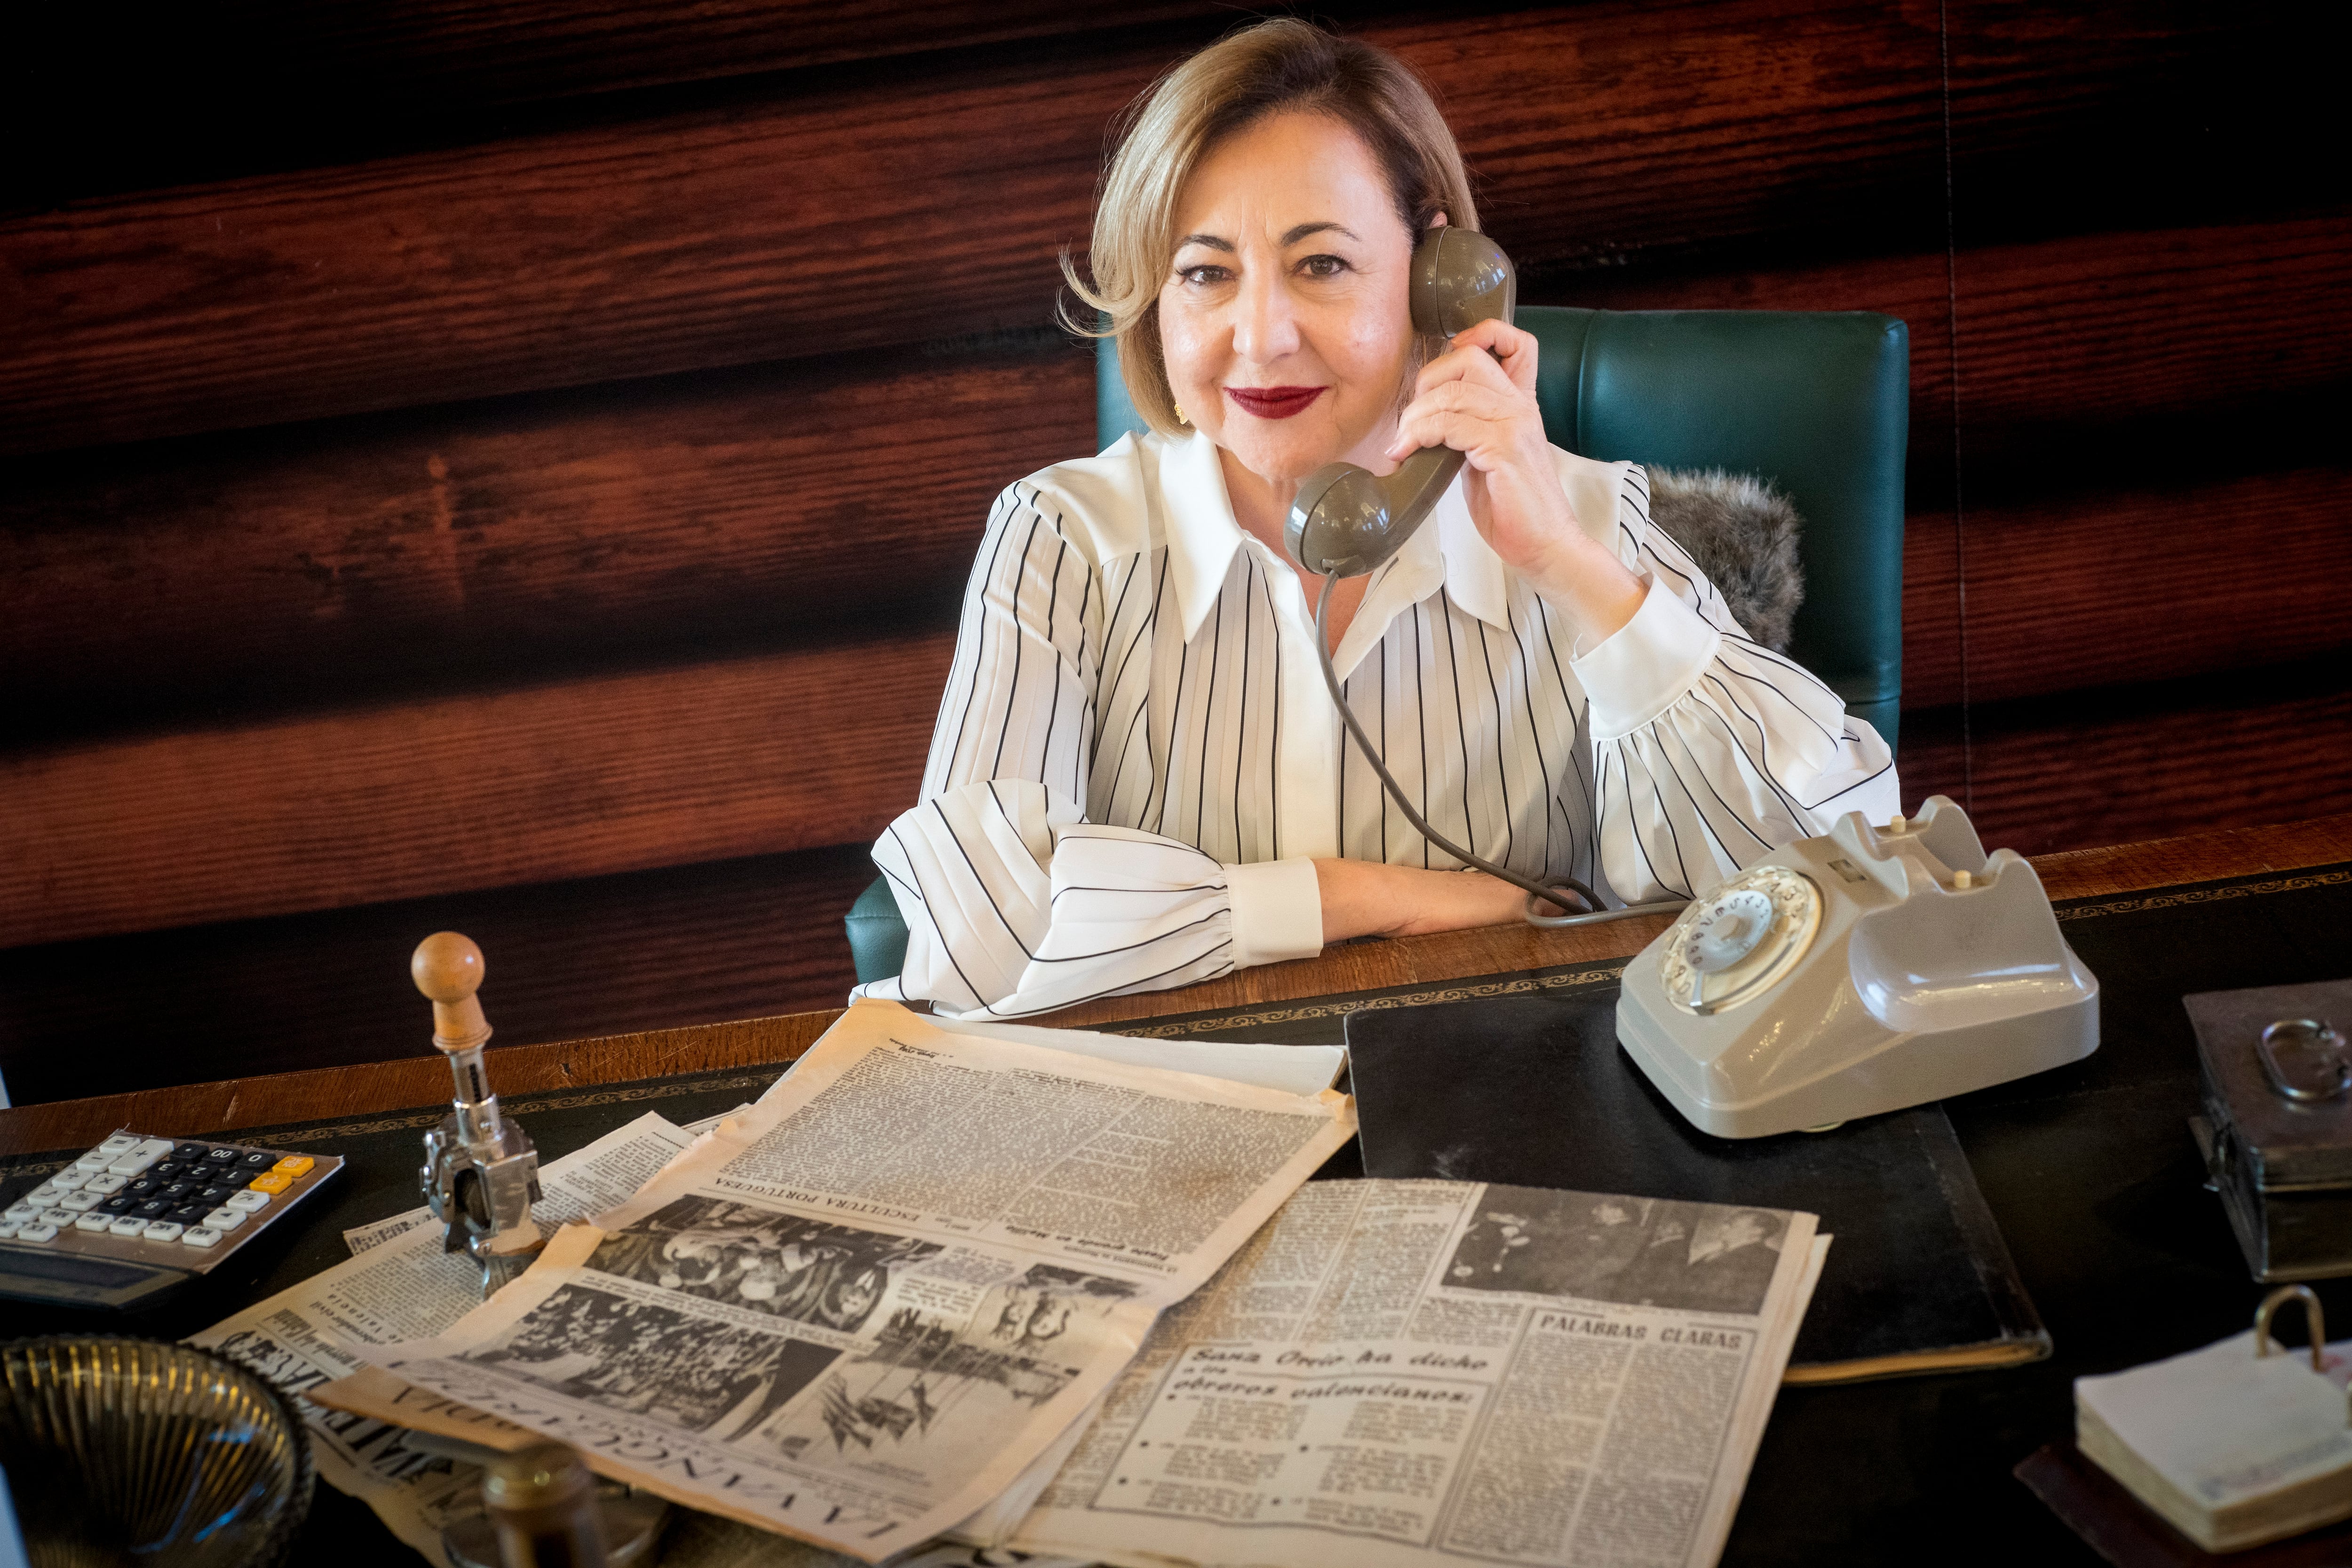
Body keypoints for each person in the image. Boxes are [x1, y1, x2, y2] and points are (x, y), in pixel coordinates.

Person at [864, 19, 1898, 1019]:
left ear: (1439, 279)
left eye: (1321, 264)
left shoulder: (1584, 520)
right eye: (1204, 273)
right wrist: (1374, 898)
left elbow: (1835, 882)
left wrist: (1574, 570)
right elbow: (977, 924)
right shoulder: (1060, 537)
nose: (1259, 338)